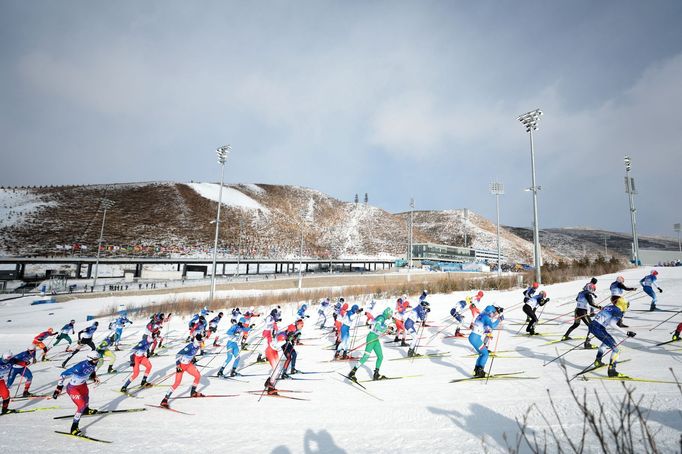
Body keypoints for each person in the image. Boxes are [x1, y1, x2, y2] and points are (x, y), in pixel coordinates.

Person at [52, 351, 100, 435]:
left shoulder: (93, 363)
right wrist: (58, 388)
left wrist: (94, 377)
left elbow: (92, 370)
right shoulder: (79, 367)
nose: (97, 361)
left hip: (82, 385)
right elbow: (63, 374)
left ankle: (86, 410)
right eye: (95, 359)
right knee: (81, 405)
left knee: (86, 398)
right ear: (90, 359)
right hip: (73, 388)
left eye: (97, 359)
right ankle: (74, 427)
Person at [589, 297, 636, 377]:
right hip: (598, 328)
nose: (627, 307)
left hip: (594, 326)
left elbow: (606, 320)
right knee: (617, 350)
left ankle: (598, 361)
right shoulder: (618, 311)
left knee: (605, 343)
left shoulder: (610, 307)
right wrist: (627, 332)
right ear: (623, 305)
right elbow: (612, 324)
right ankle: (612, 370)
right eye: (627, 305)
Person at [348, 307, 394, 381]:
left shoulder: (383, 319)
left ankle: (376, 374)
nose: (390, 316)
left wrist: (389, 328)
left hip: (376, 339)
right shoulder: (381, 318)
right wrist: (385, 329)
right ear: (387, 313)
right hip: (372, 337)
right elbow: (377, 326)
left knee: (380, 356)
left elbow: (381, 326)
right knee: (365, 357)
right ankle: (352, 373)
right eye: (390, 314)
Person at [159, 334, 205, 408]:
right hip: (181, 366)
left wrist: (193, 359)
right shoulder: (190, 346)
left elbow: (192, 354)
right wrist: (177, 365)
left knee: (198, 376)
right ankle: (165, 399)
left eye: (201, 342)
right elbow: (178, 355)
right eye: (199, 342)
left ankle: (193, 392)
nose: (200, 343)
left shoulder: (198, 346)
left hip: (188, 365)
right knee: (177, 382)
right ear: (196, 341)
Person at [468, 305, 504, 378]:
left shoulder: (481, 315)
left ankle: (477, 371)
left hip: (474, 337)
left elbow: (485, 327)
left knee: (482, 354)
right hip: (475, 338)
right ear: (490, 312)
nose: (493, 314)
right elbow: (492, 326)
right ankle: (480, 371)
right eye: (493, 313)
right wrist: (499, 320)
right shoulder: (486, 317)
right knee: (485, 354)